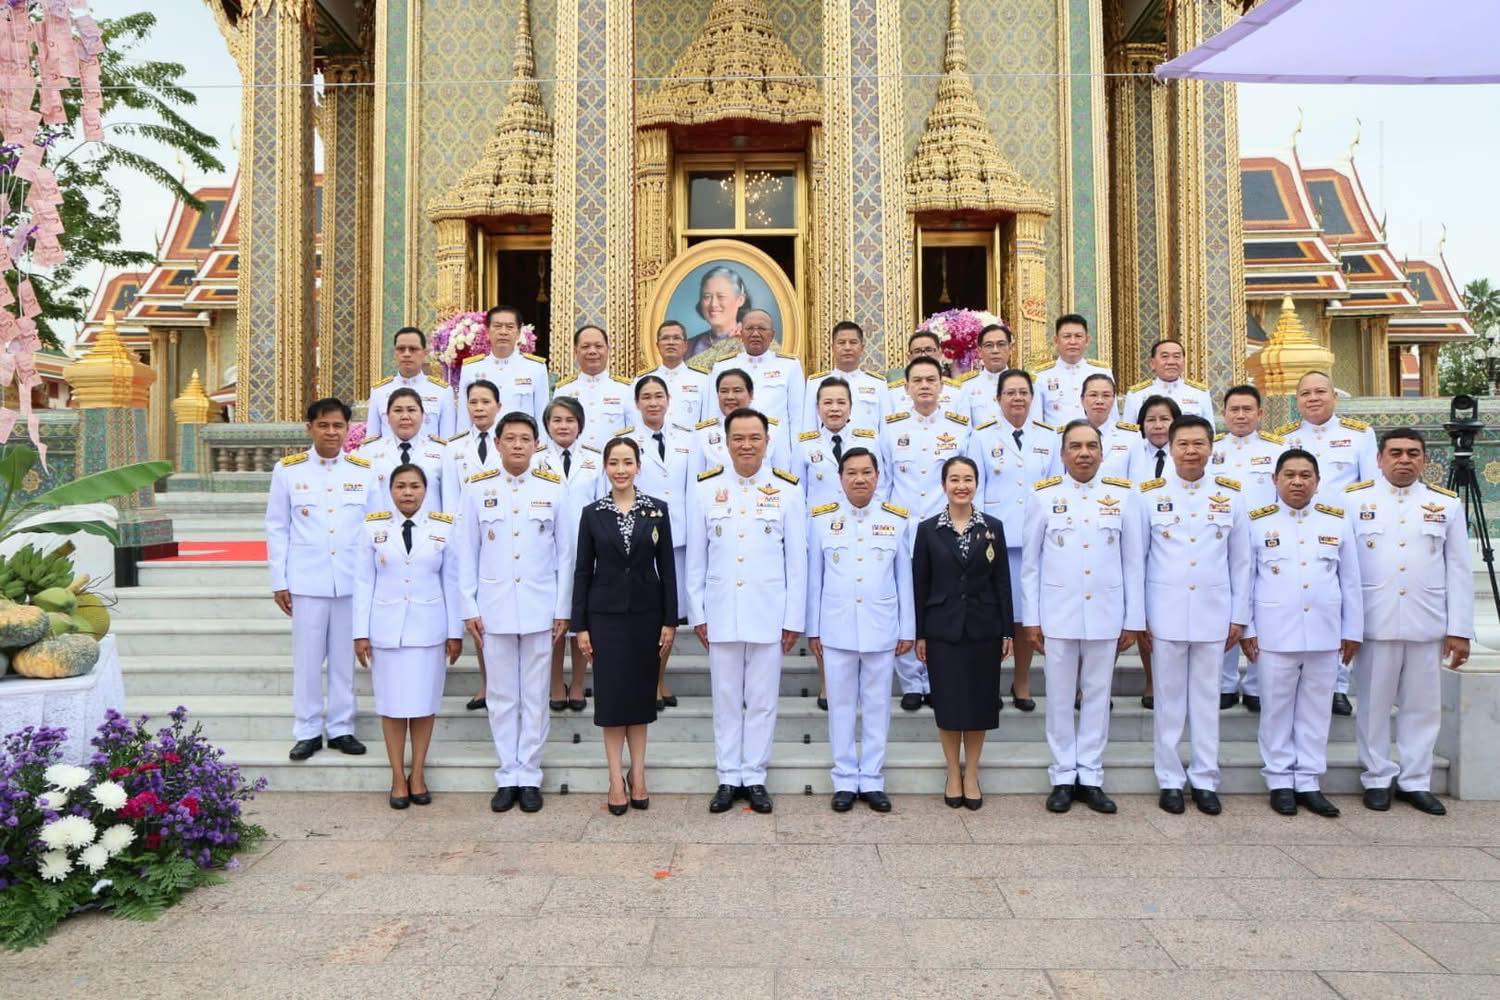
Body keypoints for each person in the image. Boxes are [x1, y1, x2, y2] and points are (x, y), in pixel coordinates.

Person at [686, 407, 807, 815]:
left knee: (761, 699)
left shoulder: (788, 489)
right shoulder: (705, 488)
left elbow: (797, 563)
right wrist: (698, 612)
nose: (746, 445)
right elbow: (697, 560)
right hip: (721, 610)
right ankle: (727, 776)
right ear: (726, 441)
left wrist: (793, 618)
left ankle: (754, 776)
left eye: (754, 437)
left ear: (767, 441)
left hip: (768, 611)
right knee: (724, 697)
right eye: (738, 438)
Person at [1023, 420, 1144, 815]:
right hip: (1058, 612)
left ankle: (1090, 775)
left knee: (1097, 696)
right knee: (1059, 698)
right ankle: (1062, 775)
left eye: (1091, 446)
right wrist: (1031, 619)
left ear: (1102, 452)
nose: (1084, 453)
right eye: (1075, 446)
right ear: (1062, 454)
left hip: (1106, 613)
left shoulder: (1123, 496)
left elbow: (1133, 563)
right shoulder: (1043, 496)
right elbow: (1031, 565)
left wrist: (1133, 619)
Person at [1348, 429, 1472, 815]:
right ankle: (1377, 777)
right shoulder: (1354, 501)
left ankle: (1416, 780)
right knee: (1373, 704)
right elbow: (1343, 570)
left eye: (1413, 453)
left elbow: (1460, 570)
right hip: (1374, 621)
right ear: (1380, 458)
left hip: (1426, 620)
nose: (1405, 460)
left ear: (1424, 460)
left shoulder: (1445, 504)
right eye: (1396, 453)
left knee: (1422, 707)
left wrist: (1459, 629)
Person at [459, 411, 575, 814]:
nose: (518, 445)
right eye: (511, 438)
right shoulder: (477, 489)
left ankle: (530, 774)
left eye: (526, 439)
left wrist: (563, 609)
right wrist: (469, 605)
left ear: (536, 444)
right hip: (494, 609)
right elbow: (466, 551)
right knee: (503, 695)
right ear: (498, 443)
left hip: (540, 607)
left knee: (535, 694)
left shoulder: (553, 487)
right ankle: (507, 773)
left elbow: (566, 553)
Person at [1137, 415, 1250, 817]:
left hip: (1212, 613)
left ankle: (1205, 778)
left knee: (1206, 701)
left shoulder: (1231, 496)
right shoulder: (1147, 495)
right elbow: (1139, 562)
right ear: (1170, 448)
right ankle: (1170, 779)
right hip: (1164, 613)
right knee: (1168, 701)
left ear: (1211, 448)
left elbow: (1242, 562)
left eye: (1198, 444)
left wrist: (1240, 615)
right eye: (1182, 444)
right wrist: (1140, 618)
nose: (1190, 451)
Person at [1239, 449, 1361, 818]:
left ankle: (1308, 780)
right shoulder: (1257, 523)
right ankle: (1279, 780)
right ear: (1275, 480)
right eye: (1289, 475)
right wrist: (1248, 627)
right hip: (1275, 633)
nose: (1297, 482)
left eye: (1305, 475)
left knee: (1316, 710)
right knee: (1276, 709)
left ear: (1317, 482)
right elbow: (1246, 580)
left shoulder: (1336, 522)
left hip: (1325, 634)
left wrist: (1352, 630)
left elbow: (1351, 582)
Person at [573, 436, 678, 815]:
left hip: (646, 618)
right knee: (613, 699)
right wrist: (580, 626)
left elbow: (667, 569)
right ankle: (616, 778)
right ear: (605, 467)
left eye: (627, 462)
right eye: (614, 462)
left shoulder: (657, 511)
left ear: (638, 466)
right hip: (605, 619)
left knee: (639, 699)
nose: (620, 469)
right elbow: (583, 571)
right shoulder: (592, 513)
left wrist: (670, 620)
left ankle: (640, 775)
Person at [806, 447, 913, 813]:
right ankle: (845, 778)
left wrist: (908, 629)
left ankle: (872, 778)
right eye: (851, 472)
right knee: (840, 706)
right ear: (840, 479)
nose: (859, 479)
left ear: (877, 476)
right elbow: (814, 579)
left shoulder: (896, 519)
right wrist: (813, 629)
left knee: (878, 705)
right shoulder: (822, 519)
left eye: (866, 472)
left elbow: (904, 580)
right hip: (836, 627)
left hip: (882, 627)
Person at [265, 397, 372, 761]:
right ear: (310, 428)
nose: (331, 432)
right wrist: (279, 579)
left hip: (350, 580)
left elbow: (374, 528)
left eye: (338, 425)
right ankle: (308, 729)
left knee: (344, 659)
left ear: (347, 429)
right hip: (307, 580)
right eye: (323, 425)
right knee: (308, 660)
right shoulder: (289, 470)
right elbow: (277, 527)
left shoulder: (363, 470)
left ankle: (342, 727)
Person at [353, 464, 464, 809]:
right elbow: (363, 582)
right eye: (401, 486)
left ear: (425, 490)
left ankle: (417, 773)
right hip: (387, 630)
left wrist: (454, 632)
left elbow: (453, 582)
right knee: (391, 708)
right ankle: (397, 777)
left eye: (415, 486)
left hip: (429, 629)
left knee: (423, 707)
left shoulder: (443, 528)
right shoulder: (373, 528)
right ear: (390, 490)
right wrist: (360, 632)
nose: (408, 492)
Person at [1276, 371, 1377, 716]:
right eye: (1305, 393)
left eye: (1320, 391)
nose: (1313, 398)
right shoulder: (1284, 438)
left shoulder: (1359, 436)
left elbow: (1370, 489)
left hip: (1342, 533)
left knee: (1339, 605)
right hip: (1296, 529)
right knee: (1303, 602)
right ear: (1297, 400)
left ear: (1334, 395)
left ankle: (1338, 685)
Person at [914, 456, 1012, 810]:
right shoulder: (928, 530)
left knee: (979, 704)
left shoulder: (993, 527)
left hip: (983, 628)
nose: (961, 485)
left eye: (968, 479)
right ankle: (951, 772)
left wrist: (1006, 631)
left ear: (977, 484)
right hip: (943, 629)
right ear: (943, 485)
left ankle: (971, 773)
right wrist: (920, 633)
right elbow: (920, 583)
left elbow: (1002, 581)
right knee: (950, 704)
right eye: (954, 479)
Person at [880, 355, 972, 710]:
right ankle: (911, 682)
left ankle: (938, 679)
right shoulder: (891, 429)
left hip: (944, 531)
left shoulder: (959, 428)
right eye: (916, 381)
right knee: (906, 602)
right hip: (902, 529)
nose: (924, 386)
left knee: (942, 605)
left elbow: (968, 483)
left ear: (942, 385)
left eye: (931, 380)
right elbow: (883, 484)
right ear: (906, 388)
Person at [967, 369, 1054, 711]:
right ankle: (988, 682)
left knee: (1025, 614)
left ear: (1032, 398)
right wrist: (979, 532)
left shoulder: (1049, 437)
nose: (1017, 399)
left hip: (1034, 539)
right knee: (991, 612)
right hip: (994, 539)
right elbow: (975, 486)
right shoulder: (982, 436)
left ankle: (1021, 682)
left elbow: (1053, 489)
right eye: (1010, 393)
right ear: (998, 398)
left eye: (1023, 393)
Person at [1211, 384, 1283, 710]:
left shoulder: (1278, 449)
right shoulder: (1209, 449)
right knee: (1226, 611)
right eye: (1234, 410)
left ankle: (1256, 684)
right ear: (1224, 413)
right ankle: (1225, 682)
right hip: (1220, 541)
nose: (1240, 415)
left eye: (1247, 409)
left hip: (1265, 539)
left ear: (1259, 414)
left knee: (1263, 610)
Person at [624, 375, 694, 710]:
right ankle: (645, 682)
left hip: (678, 537)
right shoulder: (626, 441)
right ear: (637, 403)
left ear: (668, 399)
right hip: (640, 539)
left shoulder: (687, 439)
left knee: (670, 615)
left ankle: (659, 679)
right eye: (646, 397)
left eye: (658, 396)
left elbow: (693, 489)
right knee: (645, 614)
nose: (653, 403)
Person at [533, 396, 603, 713]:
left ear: (580, 425)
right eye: (557, 420)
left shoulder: (595, 461)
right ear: (547, 425)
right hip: (545, 553)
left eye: (570, 420)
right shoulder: (535, 461)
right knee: (554, 621)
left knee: (580, 622)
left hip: (586, 552)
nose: (563, 426)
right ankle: (554, 683)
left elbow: (603, 506)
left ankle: (577, 682)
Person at [443, 379, 505, 712]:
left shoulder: (511, 440)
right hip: (468, 541)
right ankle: (486, 682)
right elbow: (451, 502)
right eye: (473, 403)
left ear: (498, 405)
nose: (479, 408)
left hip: (502, 540)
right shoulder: (453, 449)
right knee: (480, 615)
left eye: (485, 402)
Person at [710, 309, 806, 433]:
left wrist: (796, 451)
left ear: (772, 335)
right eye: (749, 328)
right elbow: (714, 416)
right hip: (735, 445)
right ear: (741, 333)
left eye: (762, 328)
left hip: (777, 446)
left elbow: (797, 417)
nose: (755, 334)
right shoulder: (723, 366)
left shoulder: (790, 366)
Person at [457, 306, 550, 433]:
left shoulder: (535, 368)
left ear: (518, 333)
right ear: (487, 332)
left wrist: (539, 450)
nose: (503, 332)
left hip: (520, 445)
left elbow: (542, 415)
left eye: (510, 327)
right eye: (497, 326)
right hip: (483, 444)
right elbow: (464, 416)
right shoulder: (471, 368)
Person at [552, 325, 638, 453]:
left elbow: (634, 431)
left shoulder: (626, 389)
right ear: (576, 352)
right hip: (575, 465)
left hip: (613, 465)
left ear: (608, 350)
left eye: (598, 346)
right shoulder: (563, 389)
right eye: (585, 347)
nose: (592, 351)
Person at [359, 388, 446, 513]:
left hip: (430, 529)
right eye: (398, 410)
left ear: (423, 416)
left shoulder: (442, 451)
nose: (405, 416)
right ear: (387, 417)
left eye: (411, 410)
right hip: (383, 530)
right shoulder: (369, 451)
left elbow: (450, 499)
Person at [794, 377, 875, 512]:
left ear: (850, 408)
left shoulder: (869, 442)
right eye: (827, 403)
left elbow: (880, 488)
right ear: (817, 408)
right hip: (818, 526)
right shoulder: (804, 446)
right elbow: (798, 494)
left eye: (841, 402)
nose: (834, 409)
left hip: (858, 521)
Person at [691, 367, 791, 477]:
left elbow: (782, 476)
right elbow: (695, 480)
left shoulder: (773, 429)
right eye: (724, 391)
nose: (730, 397)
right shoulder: (703, 432)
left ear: (751, 394)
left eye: (737, 391)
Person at [366, 326, 457, 440]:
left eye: (413, 349)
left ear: (425, 353)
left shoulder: (442, 392)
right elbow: (371, 440)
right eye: (401, 349)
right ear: (395, 353)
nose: (407, 354)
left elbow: (448, 441)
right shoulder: (379, 391)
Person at [802, 321, 889, 433]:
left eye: (853, 342)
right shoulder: (815, 383)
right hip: (827, 448)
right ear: (832, 348)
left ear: (862, 348)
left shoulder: (878, 384)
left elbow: (887, 430)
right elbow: (809, 426)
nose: (847, 347)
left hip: (868, 449)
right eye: (841, 342)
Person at [1030, 314, 1112, 426]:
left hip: (1094, 439)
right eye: (1067, 336)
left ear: (1087, 340)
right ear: (1056, 340)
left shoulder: (1102, 372)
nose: (1072, 341)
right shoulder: (1041, 376)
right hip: (1056, 441)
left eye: (1078, 336)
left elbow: (1112, 415)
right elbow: (1036, 420)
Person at [1122, 339, 1214, 424]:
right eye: (1165, 356)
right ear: (1152, 363)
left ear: (1184, 362)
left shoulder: (1200, 393)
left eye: (1176, 356)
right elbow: (1129, 434)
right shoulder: (1136, 394)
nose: (1171, 362)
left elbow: (1209, 432)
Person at [640, 320, 713, 427]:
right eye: (665, 338)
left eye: (676, 338)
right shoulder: (642, 380)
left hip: (690, 442)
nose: (671, 342)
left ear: (685, 345)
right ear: (657, 346)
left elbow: (708, 421)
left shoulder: (703, 380)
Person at [1071, 374, 1136, 481]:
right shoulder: (1067, 434)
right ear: (1082, 399)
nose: (1099, 401)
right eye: (1093, 395)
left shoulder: (1131, 436)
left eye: (1106, 395)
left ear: (1114, 399)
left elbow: (1138, 481)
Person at [886, 331, 962, 413]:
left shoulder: (956, 391)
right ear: (909, 356)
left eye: (929, 350)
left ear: (940, 353)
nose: (923, 355)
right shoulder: (892, 393)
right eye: (917, 351)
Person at [685, 264, 750, 360]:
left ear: (740, 300)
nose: (713, 304)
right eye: (707, 297)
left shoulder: (753, 341)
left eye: (721, 296)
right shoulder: (688, 346)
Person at [957, 323, 1016, 426]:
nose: (995, 350)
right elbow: (963, 428)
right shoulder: (966, 386)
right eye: (989, 345)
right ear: (979, 351)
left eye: (1001, 344)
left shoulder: (1025, 383)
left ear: (1010, 349)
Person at [1127, 395, 1181, 486]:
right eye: (1151, 420)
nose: (1158, 426)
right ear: (1142, 424)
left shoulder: (1185, 452)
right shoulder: (1131, 452)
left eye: (1164, 419)